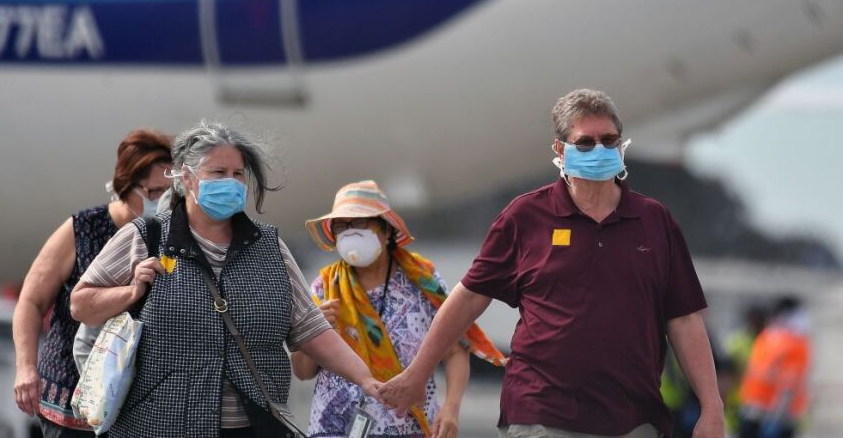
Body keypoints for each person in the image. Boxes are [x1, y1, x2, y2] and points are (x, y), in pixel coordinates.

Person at [379, 89, 726, 438]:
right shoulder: (525, 217)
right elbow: (468, 298)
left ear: (621, 145)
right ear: (561, 150)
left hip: (634, 419)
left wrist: (712, 407)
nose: (599, 150)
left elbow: (684, 319)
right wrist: (417, 374)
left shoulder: (654, 221)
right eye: (585, 143)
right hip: (541, 412)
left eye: (608, 141)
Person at [70, 121, 383, 438]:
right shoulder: (145, 237)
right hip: (161, 427)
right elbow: (81, 305)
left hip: (254, 426)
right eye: (219, 173)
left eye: (238, 174)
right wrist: (131, 292)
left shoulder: (269, 247)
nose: (231, 182)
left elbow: (311, 328)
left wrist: (366, 378)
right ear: (187, 178)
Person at [291, 180, 506, 438]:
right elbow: (302, 372)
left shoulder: (423, 282)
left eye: (360, 223)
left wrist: (451, 408)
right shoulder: (324, 287)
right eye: (341, 226)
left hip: (408, 427)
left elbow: (455, 350)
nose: (350, 233)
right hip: (334, 428)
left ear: (386, 230)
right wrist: (318, 327)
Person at [12, 128, 173, 438]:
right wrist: (26, 367)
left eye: (171, 192)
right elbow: (31, 301)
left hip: (140, 401)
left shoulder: (170, 234)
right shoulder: (83, 229)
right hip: (72, 400)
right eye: (154, 192)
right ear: (126, 186)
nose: (164, 201)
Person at [738, 297, 811, 438]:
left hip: (754, 410)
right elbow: (788, 386)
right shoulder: (796, 344)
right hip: (774, 415)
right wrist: (775, 419)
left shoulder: (765, 337)